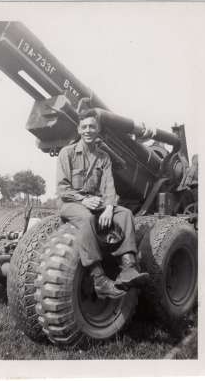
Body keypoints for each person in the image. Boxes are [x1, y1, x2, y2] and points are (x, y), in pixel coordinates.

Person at [56, 109, 150, 299]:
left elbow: (109, 187)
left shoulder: (103, 158)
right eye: (84, 127)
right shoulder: (67, 153)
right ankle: (99, 279)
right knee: (86, 218)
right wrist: (83, 199)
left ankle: (128, 268)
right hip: (71, 203)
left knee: (124, 214)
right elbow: (62, 188)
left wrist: (108, 208)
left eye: (92, 126)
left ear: (98, 129)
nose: (88, 130)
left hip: (97, 203)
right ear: (79, 130)